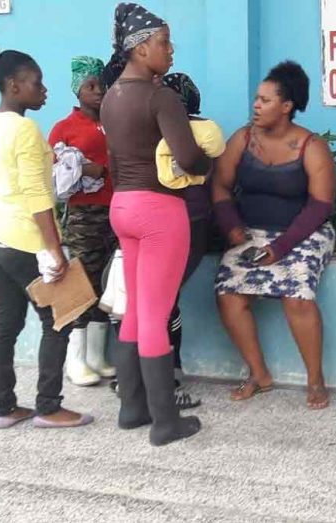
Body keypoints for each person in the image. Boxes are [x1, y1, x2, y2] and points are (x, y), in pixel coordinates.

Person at [100, 2, 211, 446]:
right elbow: (186, 157)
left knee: (134, 309)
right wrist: (208, 160)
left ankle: (132, 408)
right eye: (164, 43)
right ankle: (166, 422)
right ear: (141, 49)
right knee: (156, 314)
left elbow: (112, 161)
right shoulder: (160, 96)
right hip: (159, 211)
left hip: (122, 206)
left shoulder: (110, 97)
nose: (170, 51)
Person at [0, 46, 94, 429]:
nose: (44, 91)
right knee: (61, 315)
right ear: (13, 85)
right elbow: (37, 196)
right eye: (36, 84)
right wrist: (53, 251)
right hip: (22, 238)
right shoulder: (24, 129)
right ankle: (48, 405)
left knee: (7, 323)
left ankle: (5, 407)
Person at [212, 61, 336, 410]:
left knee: (296, 294)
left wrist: (280, 248)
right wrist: (231, 226)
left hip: (303, 233)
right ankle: (259, 374)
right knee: (228, 294)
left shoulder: (310, 146)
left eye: (265, 100)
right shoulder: (242, 139)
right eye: (256, 98)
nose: (256, 105)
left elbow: (320, 206)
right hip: (250, 233)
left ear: (286, 106)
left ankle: (315, 380)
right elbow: (220, 185)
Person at [48, 56, 116, 387]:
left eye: (101, 84)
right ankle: (75, 361)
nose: (98, 91)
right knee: (82, 280)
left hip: (117, 211)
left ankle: (97, 356)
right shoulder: (64, 128)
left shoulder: (115, 121)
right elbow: (57, 171)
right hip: (84, 215)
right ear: (77, 90)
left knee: (108, 281)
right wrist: (87, 170)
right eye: (90, 86)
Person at [161, 72, 225, 410]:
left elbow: (196, 169)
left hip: (190, 224)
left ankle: (168, 375)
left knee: (164, 299)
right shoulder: (159, 131)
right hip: (161, 224)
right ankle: (152, 375)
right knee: (155, 300)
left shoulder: (199, 133)